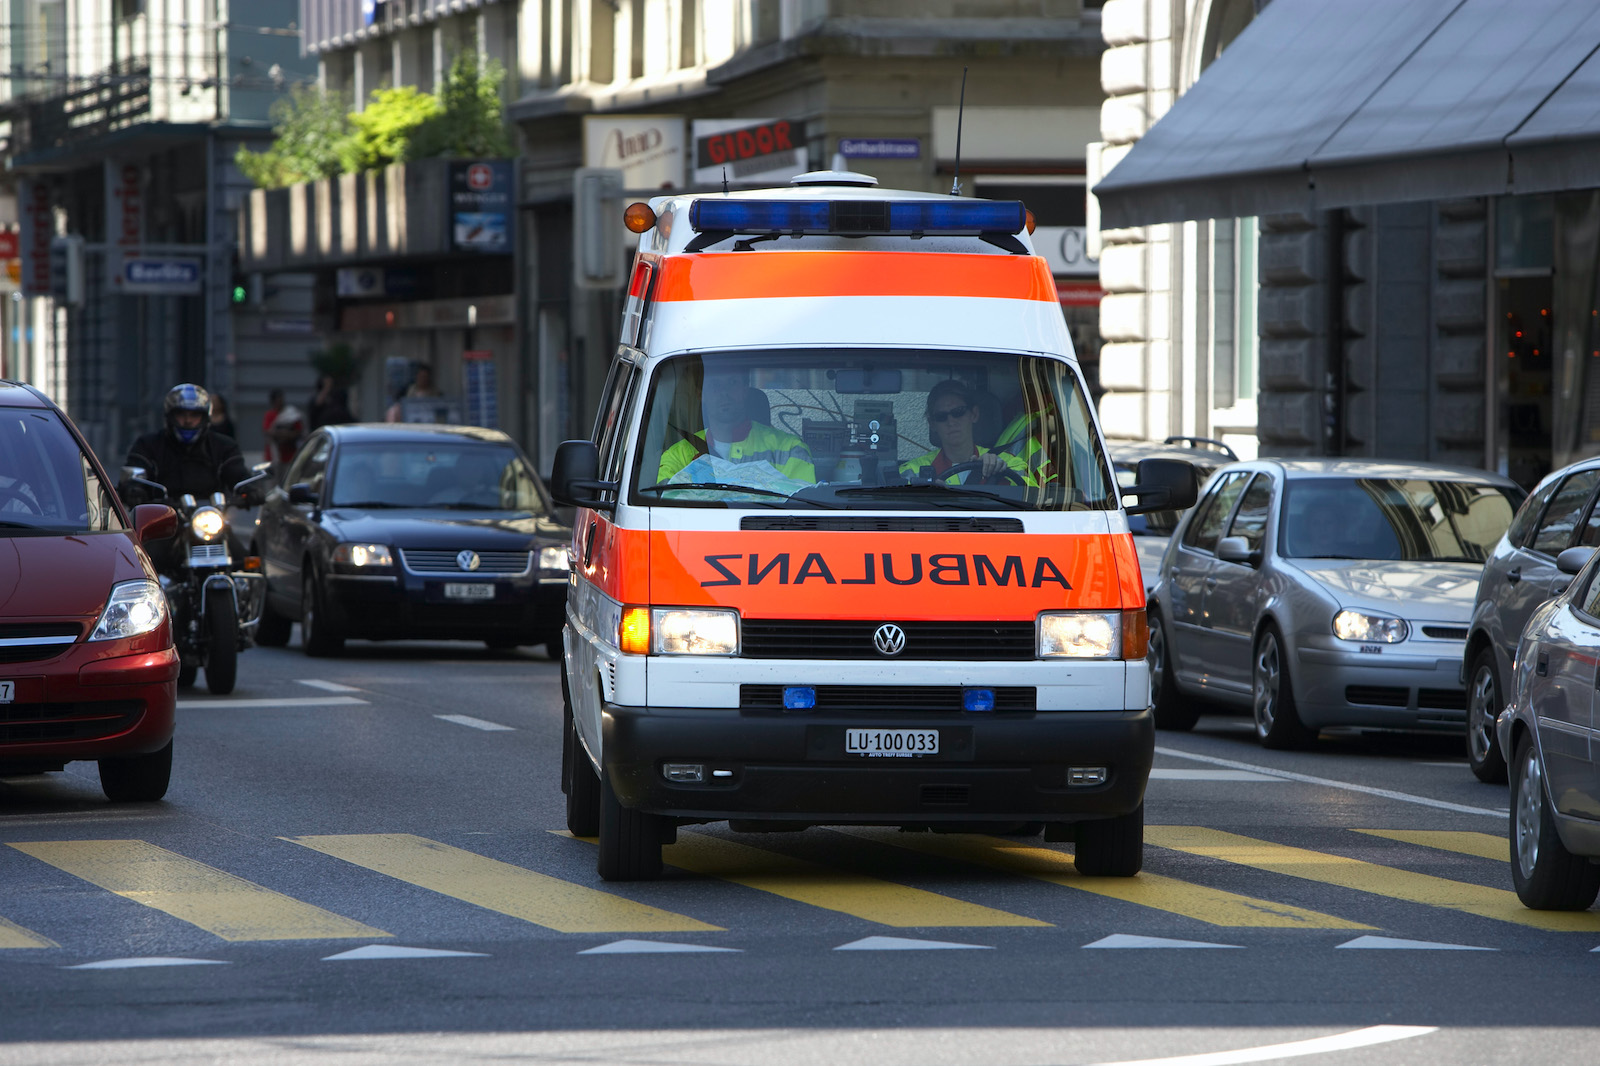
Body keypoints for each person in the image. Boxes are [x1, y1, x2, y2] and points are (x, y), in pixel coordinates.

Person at [125, 385, 251, 569]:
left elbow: (237, 472)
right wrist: (134, 489)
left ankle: (252, 595)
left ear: (204, 417)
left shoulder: (222, 446)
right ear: (170, 416)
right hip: (166, 521)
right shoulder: (149, 445)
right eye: (181, 415)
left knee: (248, 563)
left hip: (210, 519)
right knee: (144, 566)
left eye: (194, 415)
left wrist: (248, 489)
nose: (187, 421)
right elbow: (135, 470)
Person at [657, 366, 814, 483]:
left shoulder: (790, 449)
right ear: (701, 394)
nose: (724, 392)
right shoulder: (678, 455)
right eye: (715, 385)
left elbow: (803, 509)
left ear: (745, 389)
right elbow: (661, 504)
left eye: (732, 382)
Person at [900, 379, 1032, 485]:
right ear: (932, 424)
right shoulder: (913, 470)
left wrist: (1002, 472)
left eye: (958, 412)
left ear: (974, 414)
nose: (951, 422)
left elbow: (1034, 499)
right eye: (941, 416)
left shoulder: (1008, 462)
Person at [262, 388, 304, 470]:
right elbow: (267, 431)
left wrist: (288, 435)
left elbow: (299, 431)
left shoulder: (291, 413)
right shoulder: (270, 415)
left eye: (281, 399)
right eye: (277, 399)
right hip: (273, 456)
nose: (280, 402)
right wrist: (281, 433)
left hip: (289, 455)